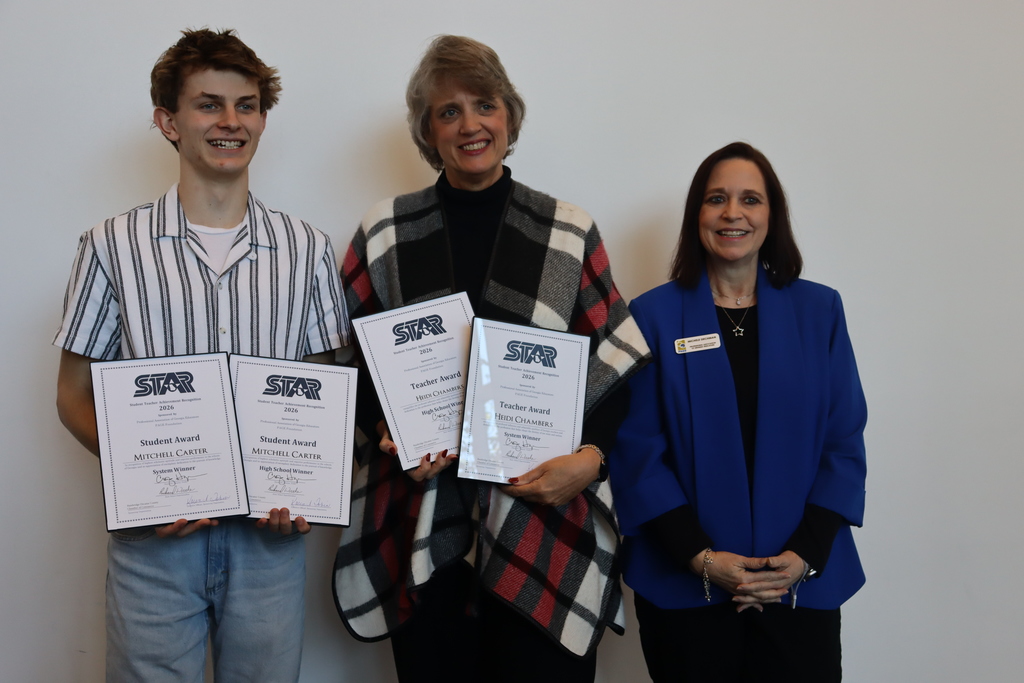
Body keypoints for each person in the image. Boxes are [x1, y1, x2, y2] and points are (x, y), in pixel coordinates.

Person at [332, 35, 650, 683]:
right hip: (426, 524)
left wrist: (587, 462)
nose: (470, 124)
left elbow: (614, 369)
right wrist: (388, 435)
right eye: (448, 112)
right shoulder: (385, 231)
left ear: (509, 114)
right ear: (427, 130)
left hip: (545, 522)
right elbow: (352, 363)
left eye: (485, 104)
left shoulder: (567, 229)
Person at [53, 29, 349, 682]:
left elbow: (326, 391)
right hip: (154, 546)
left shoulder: (307, 250)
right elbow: (72, 393)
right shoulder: (111, 245)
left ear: (262, 119)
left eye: (246, 105)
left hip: (269, 543)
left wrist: (305, 481)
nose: (230, 122)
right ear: (169, 121)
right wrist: (146, 479)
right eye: (208, 104)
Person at [608, 142, 867, 682]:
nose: (733, 213)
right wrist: (703, 560)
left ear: (772, 216)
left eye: (751, 199)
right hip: (688, 590)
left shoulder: (820, 312)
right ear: (695, 215)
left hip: (800, 587)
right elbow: (638, 454)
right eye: (716, 199)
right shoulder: (651, 316)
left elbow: (843, 444)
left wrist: (802, 556)